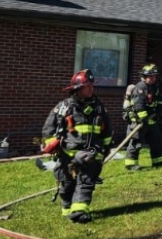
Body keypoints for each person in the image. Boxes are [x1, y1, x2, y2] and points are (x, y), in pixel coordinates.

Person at [39, 69, 114, 223]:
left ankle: (79, 211)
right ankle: (67, 209)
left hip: (91, 153)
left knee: (86, 181)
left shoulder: (99, 107)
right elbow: (48, 129)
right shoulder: (64, 107)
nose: (91, 89)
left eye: (92, 85)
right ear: (77, 89)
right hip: (67, 155)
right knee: (66, 185)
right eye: (87, 86)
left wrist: (103, 151)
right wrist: (51, 144)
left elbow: (107, 131)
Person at [124, 64, 162, 170]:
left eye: (154, 76)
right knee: (136, 143)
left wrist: (159, 107)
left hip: (151, 120)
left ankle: (158, 162)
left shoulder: (154, 87)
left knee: (157, 142)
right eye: (150, 76)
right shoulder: (140, 88)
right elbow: (139, 107)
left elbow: (159, 99)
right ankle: (131, 164)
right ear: (144, 76)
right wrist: (144, 119)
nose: (153, 78)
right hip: (139, 121)